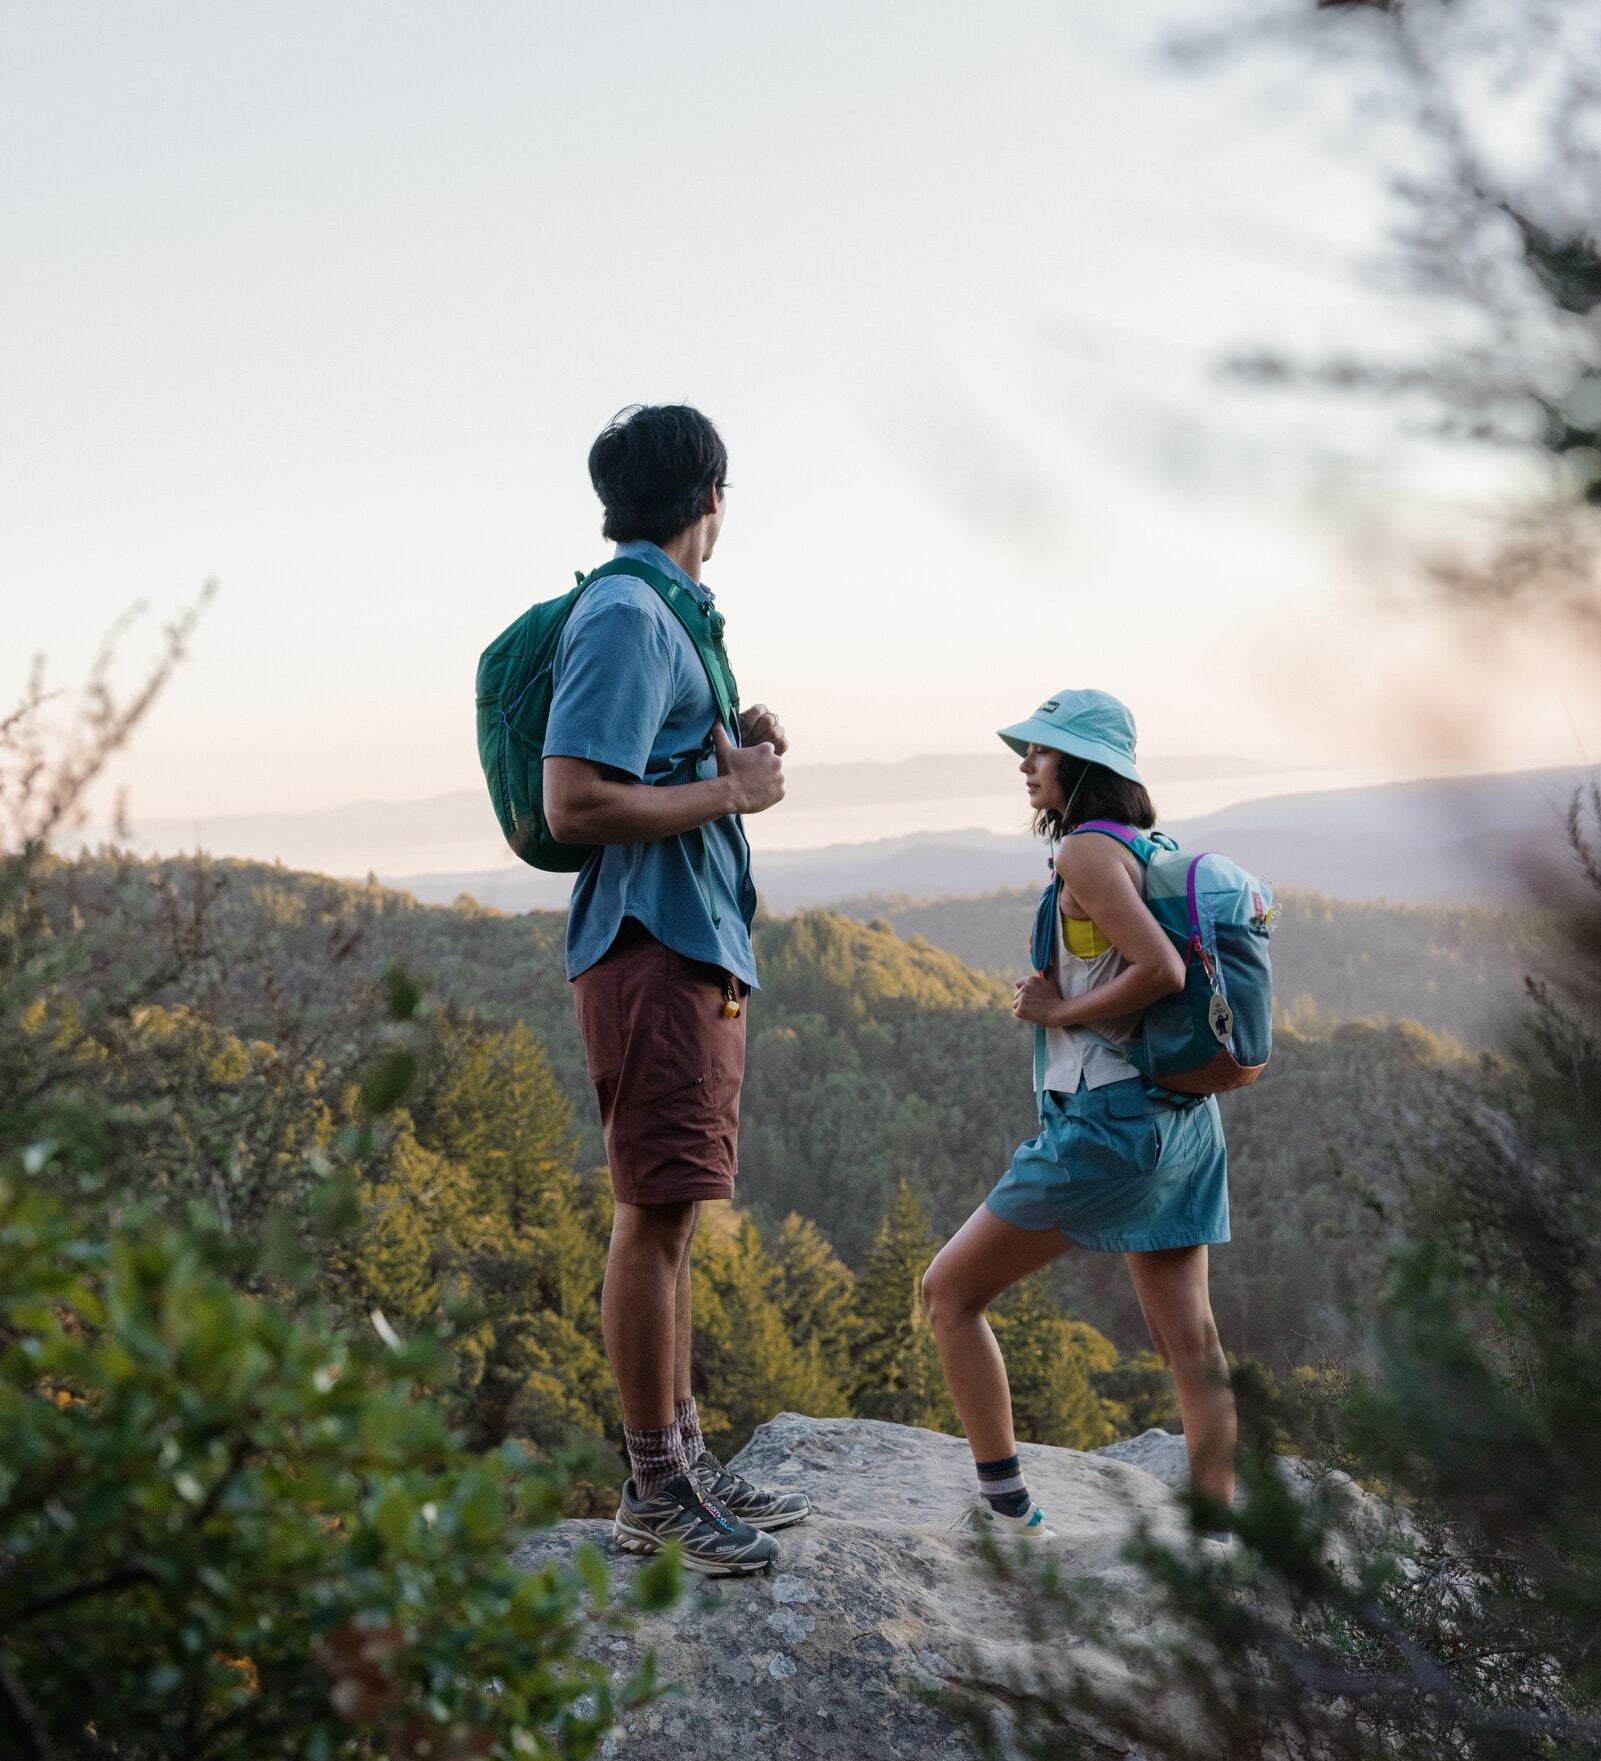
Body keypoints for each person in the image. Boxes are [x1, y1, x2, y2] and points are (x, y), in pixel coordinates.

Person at [543, 404, 811, 1574]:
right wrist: (733, 793)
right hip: (650, 947)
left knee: (673, 1215)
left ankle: (683, 1462)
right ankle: (654, 1491)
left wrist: (721, 748)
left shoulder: (665, 618)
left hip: (684, 946)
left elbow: (639, 769)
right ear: (710, 495)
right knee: (651, 1218)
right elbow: (575, 801)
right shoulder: (626, 613)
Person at [922, 689, 1235, 1539]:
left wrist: (1052, 1010)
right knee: (1191, 1346)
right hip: (1181, 1122)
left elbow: (1163, 971)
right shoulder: (1144, 844)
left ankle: (1005, 1509)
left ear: (1083, 766)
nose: (1025, 763)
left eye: (1041, 751)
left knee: (948, 1293)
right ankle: (1216, 1536)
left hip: (1107, 1125)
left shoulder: (1087, 855)